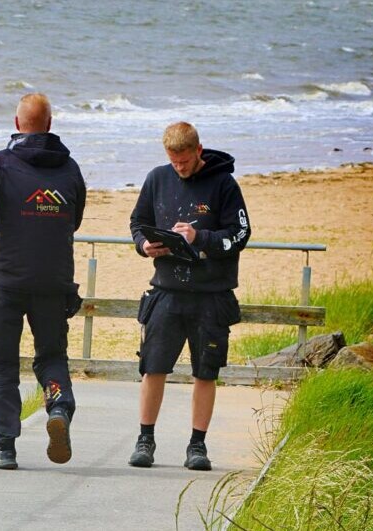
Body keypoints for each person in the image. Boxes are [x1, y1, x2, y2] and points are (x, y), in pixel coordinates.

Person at [0, 93, 87, 470]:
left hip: (7, 282)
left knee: (1, 364)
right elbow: (74, 218)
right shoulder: (70, 168)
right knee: (51, 357)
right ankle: (58, 406)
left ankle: (5, 447)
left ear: (17, 124)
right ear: (49, 124)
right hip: (54, 281)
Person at [127, 121, 250, 471]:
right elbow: (138, 221)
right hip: (166, 291)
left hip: (211, 295)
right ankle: (145, 439)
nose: (178, 167)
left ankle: (197, 446)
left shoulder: (224, 184)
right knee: (153, 368)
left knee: (205, 373)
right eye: (173, 161)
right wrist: (143, 245)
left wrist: (200, 238)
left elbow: (241, 234)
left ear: (198, 151)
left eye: (184, 161)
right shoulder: (157, 178)